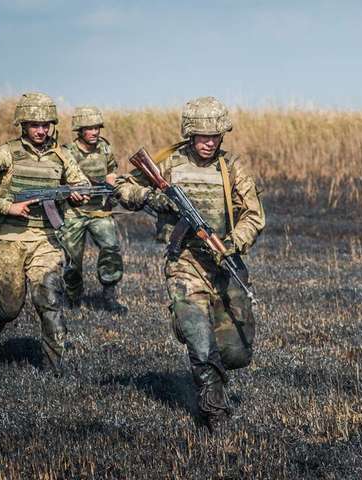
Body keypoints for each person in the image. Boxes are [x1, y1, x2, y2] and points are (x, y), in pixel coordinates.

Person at [116, 96, 265, 429]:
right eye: (202, 136)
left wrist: (232, 243)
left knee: (237, 353)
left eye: (214, 136)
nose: (209, 142)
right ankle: (214, 410)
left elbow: (253, 216)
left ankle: (212, 366)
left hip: (225, 264)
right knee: (200, 339)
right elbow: (123, 187)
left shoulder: (232, 167)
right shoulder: (169, 161)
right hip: (184, 264)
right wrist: (154, 198)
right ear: (189, 134)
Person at [0, 92, 90, 374]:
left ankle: (53, 370)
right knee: (11, 306)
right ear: (23, 125)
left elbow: (79, 181)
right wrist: (8, 206)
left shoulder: (62, 155)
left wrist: (78, 193)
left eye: (46, 124)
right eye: (34, 124)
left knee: (50, 300)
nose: (41, 130)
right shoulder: (7, 153)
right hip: (10, 240)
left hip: (46, 240)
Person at [58, 106, 125, 312]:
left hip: (100, 211)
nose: (95, 132)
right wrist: (70, 191)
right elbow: (57, 181)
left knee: (111, 248)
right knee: (72, 259)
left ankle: (109, 294)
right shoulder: (67, 152)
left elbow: (112, 169)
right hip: (74, 212)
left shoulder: (104, 148)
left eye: (97, 127)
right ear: (79, 130)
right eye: (89, 128)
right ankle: (72, 298)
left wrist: (111, 180)